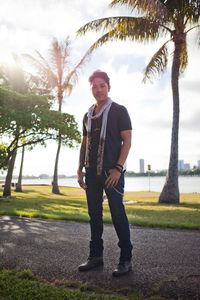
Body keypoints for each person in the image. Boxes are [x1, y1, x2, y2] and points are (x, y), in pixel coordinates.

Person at [77, 70, 133, 277]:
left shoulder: (119, 111)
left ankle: (126, 259)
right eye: (94, 86)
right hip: (91, 173)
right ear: (91, 89)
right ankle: (96, 256)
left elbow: (127, 141)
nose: (98, 90)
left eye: (102, 85)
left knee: (118, 215)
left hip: (112, 173)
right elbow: (84, 144)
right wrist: (79, 169)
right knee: (95, 216)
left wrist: (118, 168)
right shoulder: (87, 115)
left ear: (109, 87)